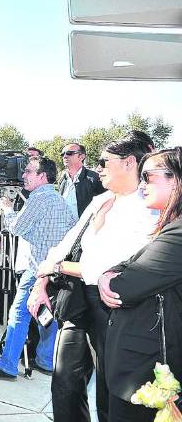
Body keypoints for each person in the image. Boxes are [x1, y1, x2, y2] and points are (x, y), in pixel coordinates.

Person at [28, 133, 156, 422]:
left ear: (129, 163)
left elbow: (103, 267)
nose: (98, 168)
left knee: (110, 393)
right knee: (64, 384)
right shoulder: (101, 200)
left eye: (104, 162)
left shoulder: (148, 208)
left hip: (115, 310)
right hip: (78, 302)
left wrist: (57, 269)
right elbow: (65, 244)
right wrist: (42, 279)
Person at [99, 147, 182, 422]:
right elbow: (126, 265)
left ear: (176, 179)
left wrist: (109, 277)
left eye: (149, 176)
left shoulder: (180, 232)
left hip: (149, 378)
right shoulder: (171, 226)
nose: (142, 184)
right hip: (143, 374)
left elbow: (123, 286)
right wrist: (108, 274)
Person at [0, 157, 77, 380]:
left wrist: (8, 209)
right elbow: (64, 230)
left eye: (29, 171)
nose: (23, 176)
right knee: (45, 315)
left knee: (18, 315)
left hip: (37, 270)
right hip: (54, 270)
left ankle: (8, 364)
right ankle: (45, 360)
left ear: (42, 176)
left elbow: (16, 227)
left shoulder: (39, 198)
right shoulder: (58, 199)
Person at [58, 143, 105, 218]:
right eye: (62, 154)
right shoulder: (62, 179)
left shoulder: (95, 179)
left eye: (69, 153)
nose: (65, 156)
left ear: (82, 157)